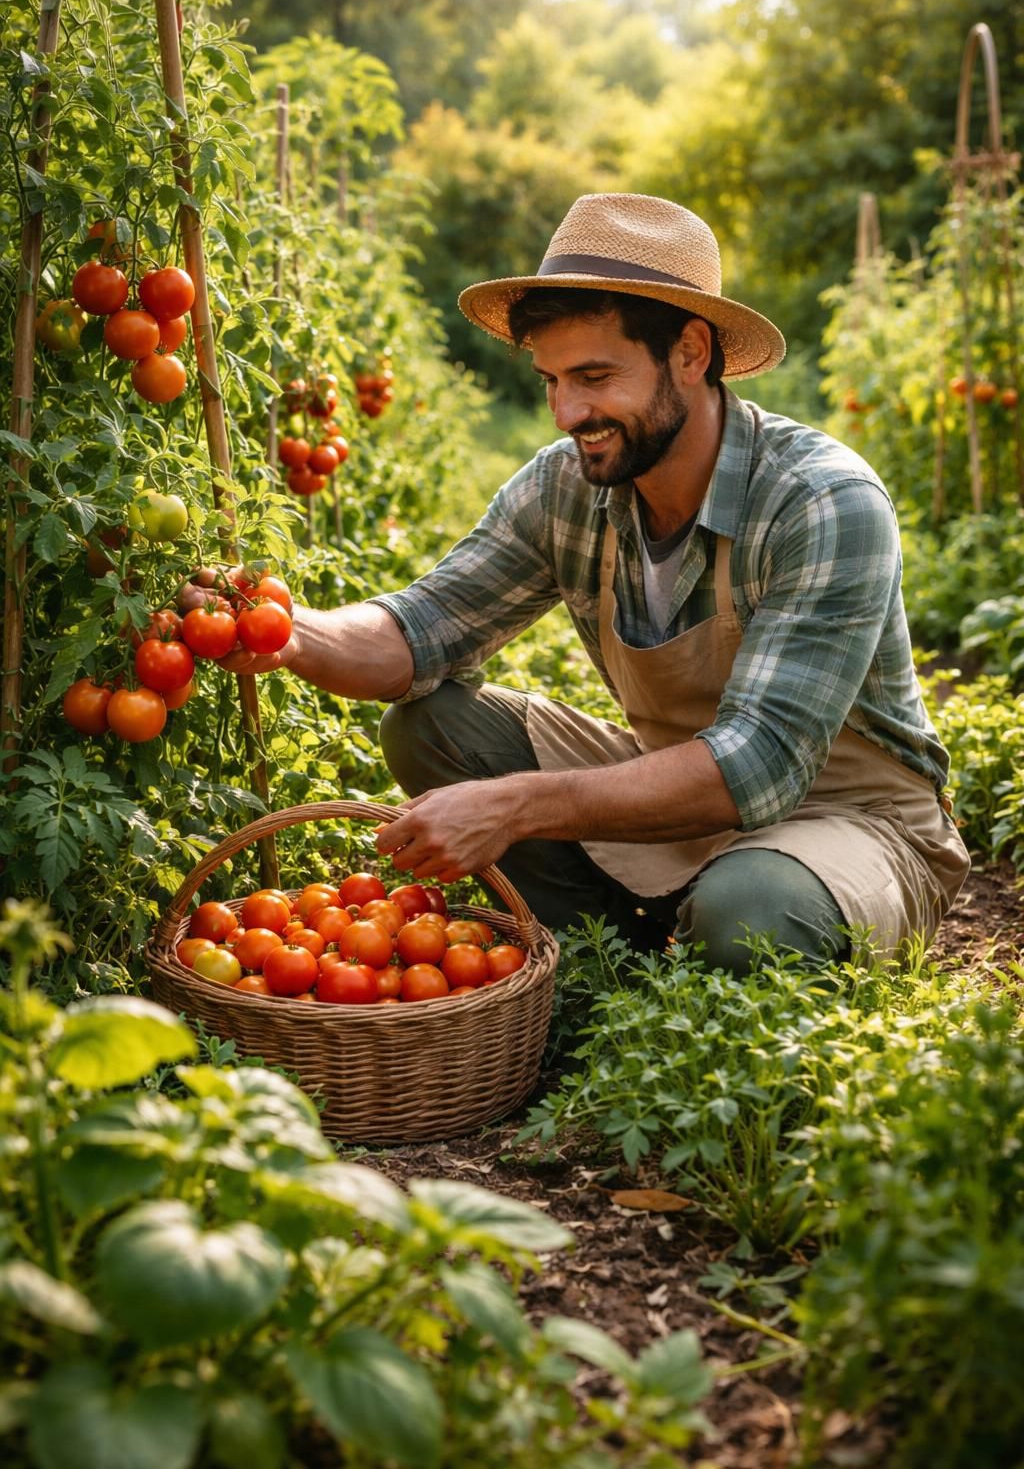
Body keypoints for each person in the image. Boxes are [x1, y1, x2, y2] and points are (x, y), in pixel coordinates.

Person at [224, 193, 970, 971]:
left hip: (850, 820)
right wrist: (282, 629)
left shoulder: (821, 501)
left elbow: (759, 764)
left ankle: (705, 930)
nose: (565, 413)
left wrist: (516, 805)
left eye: (593, 376)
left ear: (691, 352)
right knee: (432, 724)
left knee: (750, 912)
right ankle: (608, 954)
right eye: (551, 379)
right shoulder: (568, 485)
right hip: (682, 803)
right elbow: (420, 630)